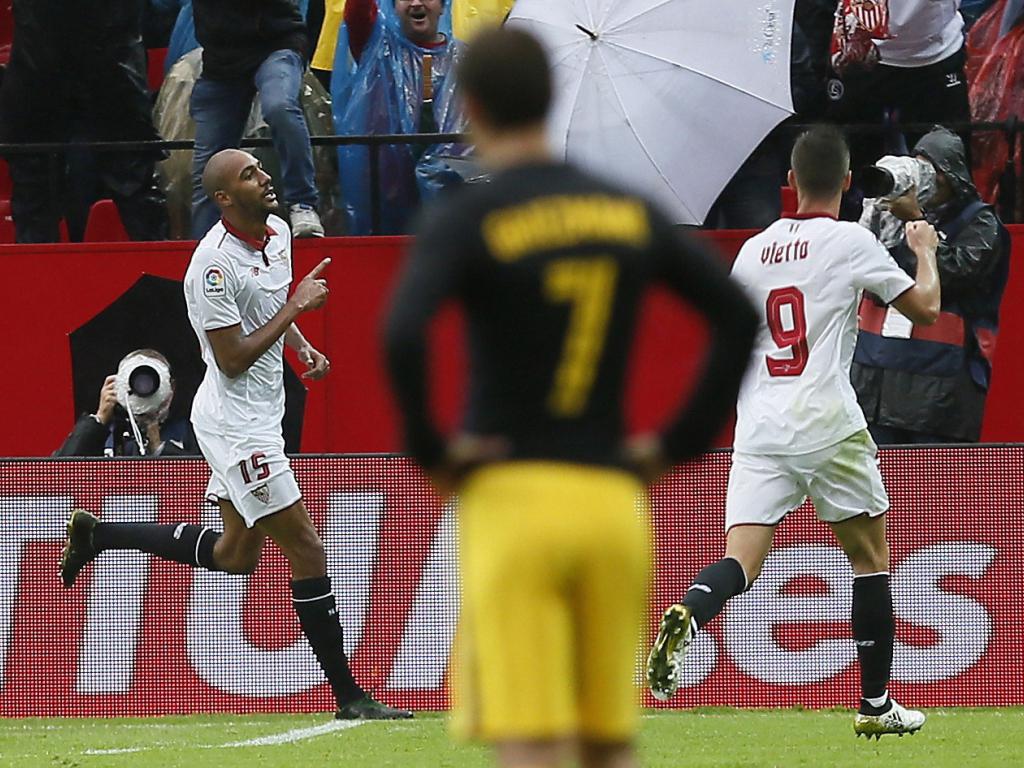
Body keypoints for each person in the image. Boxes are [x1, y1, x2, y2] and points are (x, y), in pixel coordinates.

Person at [383, 28, 758, 768]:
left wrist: (432, 450)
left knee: (530, 742)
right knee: (605, 744)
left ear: (475, 107)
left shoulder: (470, 217)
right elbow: (736, 316)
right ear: (552, 100)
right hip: (611, 501)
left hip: (513, 496)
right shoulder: (620, 208)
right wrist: (675, 444)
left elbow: (402, 332)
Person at [60, 149, 410, 721]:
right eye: (249, 174)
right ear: (223, 198)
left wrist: (301, 345)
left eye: (262, 168)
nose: (266, 176)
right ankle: (350, 697)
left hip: (258, 416)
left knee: (235, 556)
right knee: (308, 547)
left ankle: (103, 536)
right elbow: (230, 360)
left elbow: (271, 306)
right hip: (237, 426)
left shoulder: (276, 231)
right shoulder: (210, 269)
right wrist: (298, 308)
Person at [647, 125, 941, 739]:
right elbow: (925, 311)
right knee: (868, 558)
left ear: (788, 184)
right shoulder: (852, 240)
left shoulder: (753, 250)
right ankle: (876, 703)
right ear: (848, 181)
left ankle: (689, 610)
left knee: (741, 558)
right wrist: (924, 249)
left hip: (760, 427)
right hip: (827, 420)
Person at [852, 126, 1011, 444]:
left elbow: (957, 274)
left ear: (952, 174)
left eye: (931, 170)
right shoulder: (888, 216)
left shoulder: (979, 223)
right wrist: (876, 215)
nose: (924, 179)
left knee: (935, 492)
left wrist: (916, 219)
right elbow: (860, 274)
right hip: (874, 386)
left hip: (940, 398)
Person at [0, 0, 168, 243]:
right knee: (34, 184)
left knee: (133, 179)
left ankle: (158, 266)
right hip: (57, 61)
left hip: (100, 61)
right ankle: (36, 273)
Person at [189, 0, 324, 239]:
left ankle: (303, 204)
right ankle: (205, 243)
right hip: (221, 61)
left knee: (279, 107)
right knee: (208, 167)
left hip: (277, 43)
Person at [333, 0, 469, 234]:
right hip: (385, 202)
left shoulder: (466, 61)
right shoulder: (376, 46)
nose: (416, 2)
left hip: (450, 207)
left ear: (443, 6)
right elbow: (358, 12)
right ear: (392, 6)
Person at [55, 350, 198, 457]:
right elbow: (57, 477)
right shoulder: (107, 432)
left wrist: (159, 449)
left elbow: (204, 482)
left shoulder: (191, 430)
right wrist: (98, 421)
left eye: (151, 382)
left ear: (171, 388)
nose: (143, 388)